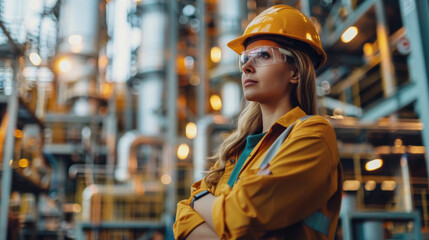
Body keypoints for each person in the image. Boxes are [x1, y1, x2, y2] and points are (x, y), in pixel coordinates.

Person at [174, 5, 342, 240]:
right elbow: (181, 221)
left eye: (263, 55)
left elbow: (242, 217)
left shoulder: (313, 133)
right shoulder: (236, 150)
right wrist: (215, 211)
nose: (246, 67)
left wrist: (199, 198)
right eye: (245, 58)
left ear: (295, 72)